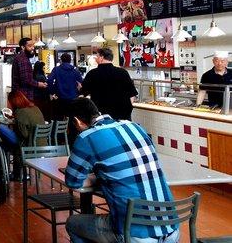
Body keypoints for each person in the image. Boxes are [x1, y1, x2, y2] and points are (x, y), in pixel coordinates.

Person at [64, 98, 178, 243]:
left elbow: (72, 181)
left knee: (73, 224)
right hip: (171, 229)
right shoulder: (135, 126)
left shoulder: (86, 137)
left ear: (77, 121)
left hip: (134, 233)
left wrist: (98, 176)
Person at [80, 47, 138, 120]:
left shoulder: (92, 74)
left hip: (102, 117)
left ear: (102, 57)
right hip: (122, 116)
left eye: (97, 56)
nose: (96, 58)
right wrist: (127, 109)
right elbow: (132, 94)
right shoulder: (123, 72)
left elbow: (83, 94)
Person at [6, 90, 45, 180]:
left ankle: (18, 175)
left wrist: (15, 124)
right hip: (42, 145)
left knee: (3, 130)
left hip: (30, 146)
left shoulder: (19, 113)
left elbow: (24, 134)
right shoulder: (35, 108)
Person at [47, 52, 83, 145]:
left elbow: (49, 80)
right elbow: (81, 84)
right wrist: (78, 92)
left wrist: (52, 91)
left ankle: (57, 140)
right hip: (73, 99)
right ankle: (71, 141)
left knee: (57, 120)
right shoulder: (75, 71)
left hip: (60, 99)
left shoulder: (56, 69)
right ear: (70, 60)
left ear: (61, 60)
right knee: (72, 121)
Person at [11, 37, 47, 101]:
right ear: (23, 47)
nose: (33, 48)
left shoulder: (19, 58)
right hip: (24, 97)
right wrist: (39, 84)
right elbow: (26, 80)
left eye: (33, 45)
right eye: (30, 46)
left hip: (19, 96)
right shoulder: (23, 60)